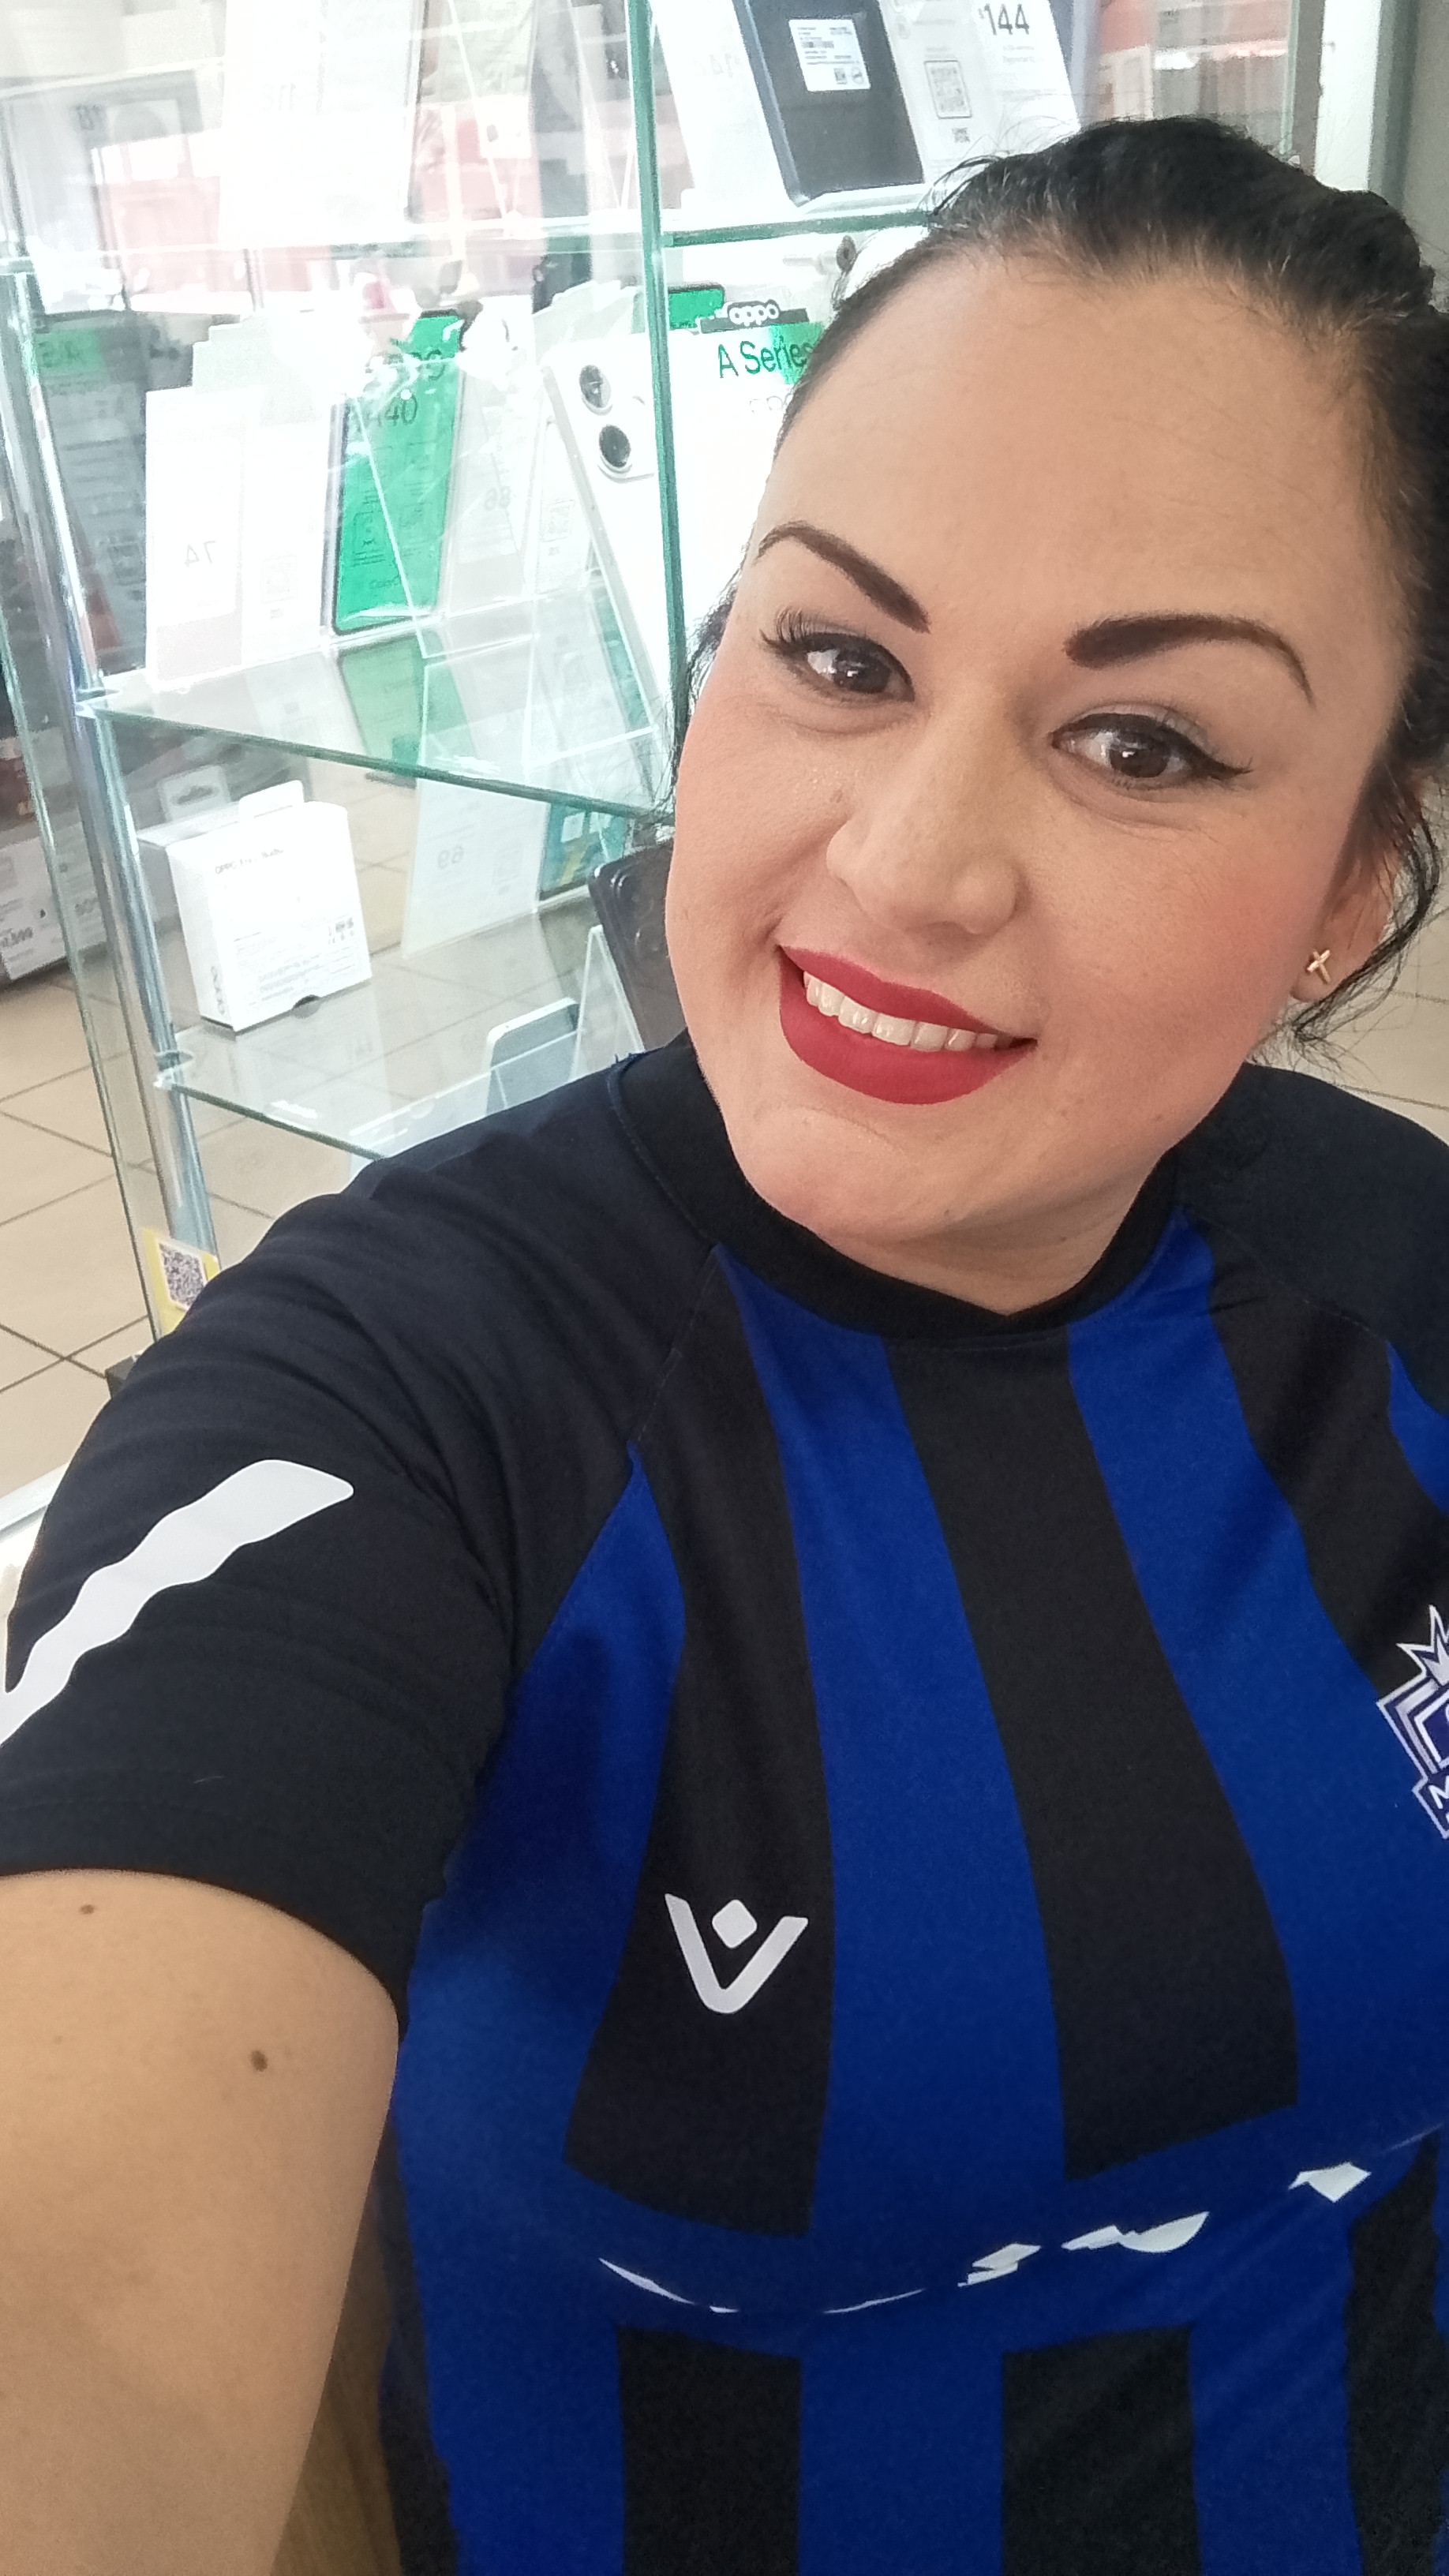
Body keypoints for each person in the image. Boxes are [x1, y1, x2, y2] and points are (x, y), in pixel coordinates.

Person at [2, 113, 1449, 2576]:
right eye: (837, 655)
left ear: (1347, 885)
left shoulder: (1397, 1285)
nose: (903, 863)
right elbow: (87, 2305)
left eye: (1141, 742)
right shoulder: (394, 1405)